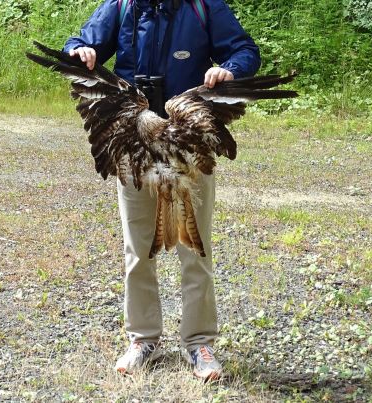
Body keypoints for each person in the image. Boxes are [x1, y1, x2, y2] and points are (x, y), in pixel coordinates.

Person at [64, 0, 260, 381]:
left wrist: (229, 69)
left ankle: (199, 343)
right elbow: (80, 43)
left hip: (187, 142)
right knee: (137, 249)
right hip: (131, 142)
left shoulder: (203, 7)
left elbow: (244, 51)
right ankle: (143, 340)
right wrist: (79, 50)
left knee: (194, 246)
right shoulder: (121, 6)